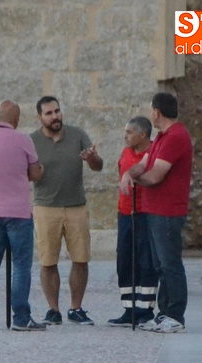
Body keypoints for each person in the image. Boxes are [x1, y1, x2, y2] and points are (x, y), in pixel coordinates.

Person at [120, 92, 192, 333]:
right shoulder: (162, 137)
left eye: (152, 109)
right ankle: (164, 314)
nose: (151, 113)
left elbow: (155, 176)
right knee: (160, 265)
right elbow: (144, 164)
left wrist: (134, 181)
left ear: (157, 112)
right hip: (154, 210)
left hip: (167, 212)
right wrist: (129, 173)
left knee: (170, 264)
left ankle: (176, 315)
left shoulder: (176, 137)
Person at [30, 96, 103, 326]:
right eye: (49, 113)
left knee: (81, 259)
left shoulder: (77, 135)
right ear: (39, 117)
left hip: (76, 207)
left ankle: (76, 308)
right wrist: (34, 174)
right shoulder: (32, 141)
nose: (55, 116)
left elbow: (98, 166)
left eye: (57, 111)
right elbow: (25, 173)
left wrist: (92, 159)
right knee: (47, 261)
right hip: (45, 208)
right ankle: (53, 310)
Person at [0, 100, 45, 331]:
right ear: (16, 119)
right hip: (19, 213)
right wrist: (39, 170)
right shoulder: (23, 140)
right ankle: (21, 318)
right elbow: (34, 173)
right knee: (21, 266)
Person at [108, 116, 157, 327]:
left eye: (129, 132)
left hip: (145, 213)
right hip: (125, 213)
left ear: (143, 135)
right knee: (124, 260)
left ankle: (145, 310)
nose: (125, 136)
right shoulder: (126, 152)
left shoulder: (154, 153)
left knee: (146, 261)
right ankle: (129, 309)